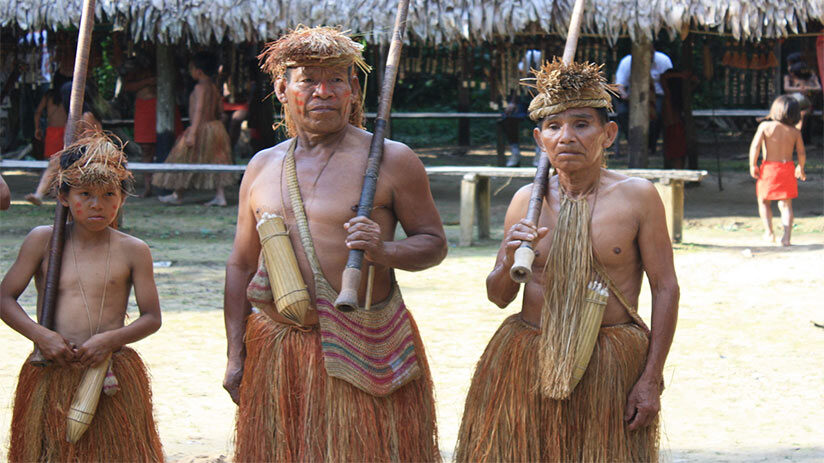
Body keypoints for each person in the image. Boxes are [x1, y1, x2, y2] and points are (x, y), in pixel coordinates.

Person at [223, 26, 446, 462]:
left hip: (365, 341)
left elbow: (434, 244)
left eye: (336, 80)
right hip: (279, 347)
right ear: (282, 89)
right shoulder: (262, 166)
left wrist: (385, 252)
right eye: (309, 80)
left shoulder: (392, 159)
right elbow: (240, 266)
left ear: (354, 90)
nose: (323, 91)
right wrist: (236, 353)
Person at [454, 58, 679, 462]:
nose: (567, 136)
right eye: (554, 126)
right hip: (530, 356)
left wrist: (651, 379)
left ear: (608, 134)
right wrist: (507, 259)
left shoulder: (638, 197)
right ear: (540, 140)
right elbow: (498, 296)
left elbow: (666, 288)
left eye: (581, 124)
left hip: (609, 360)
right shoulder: (527, 202)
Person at [1, 131, 164, 461]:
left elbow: (151, 318)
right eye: (85, 194)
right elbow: (4, 298)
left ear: (122, 197)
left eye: (108, 194)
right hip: (52, 368)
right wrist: (40, 335)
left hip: (108, 373)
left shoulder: (134, 250)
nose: (97, 204)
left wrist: (109, 340)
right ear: (63, 196)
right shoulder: (43, 241)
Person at [152, 52, 234, 206]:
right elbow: (220, 111)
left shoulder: (199, 87)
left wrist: (193, 133)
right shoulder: (214, 87)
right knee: (216, 161)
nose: (190, 72)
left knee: (183, 159)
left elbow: (199, 110)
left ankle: (178, 194)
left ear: (199, 71)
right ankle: (220, 195)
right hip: (215, 127)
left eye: (191, 69)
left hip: (200, 127)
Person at [26, 82, 102, 206]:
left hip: (90, 155)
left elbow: (93, 141)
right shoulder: (74, 117)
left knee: (56, 162)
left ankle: (40, 194)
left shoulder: (87, 116)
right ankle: (39, 195)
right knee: (55, 162)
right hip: (78, 153)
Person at [749, 95, 806, 246]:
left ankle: (769, 233)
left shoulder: (765, 127)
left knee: (763, 201)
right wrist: (801, 167)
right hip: (787, 168)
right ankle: (786, 237)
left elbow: (755, 147)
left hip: (769, 168)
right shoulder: (795, 132)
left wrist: (752, 164)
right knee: (786, 204)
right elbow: (801, 152)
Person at [614, 48, 673, 158]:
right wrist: (624, 95)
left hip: (657, 95)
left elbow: (670, 82)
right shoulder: (627, 62)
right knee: (622, 113)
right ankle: (632, 141)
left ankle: (651, 144)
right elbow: (619, 85)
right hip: (632, 97)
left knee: (658, 114)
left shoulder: (663, 60)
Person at [783, 56, 821, 144]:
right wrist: (799, 89)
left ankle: (795, 139)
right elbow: (786, 88)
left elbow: (818, 88)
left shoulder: (810, 76)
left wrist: (807, 88)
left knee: (801, 115)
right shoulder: (789, 76)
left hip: (806, 104)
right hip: (792, 103)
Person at [33, 86, 67, 159]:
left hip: (52, 131)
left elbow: (37, 113)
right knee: (64, 159)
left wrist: (37, 128)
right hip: (66, 131)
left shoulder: (49, 95)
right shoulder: (69, 94)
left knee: (50, 159)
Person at [501, 90, 528, 167]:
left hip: (532, 100)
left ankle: (540, 151)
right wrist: (513, 102)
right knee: (508, 118)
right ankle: (514, 151)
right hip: (518, 105)